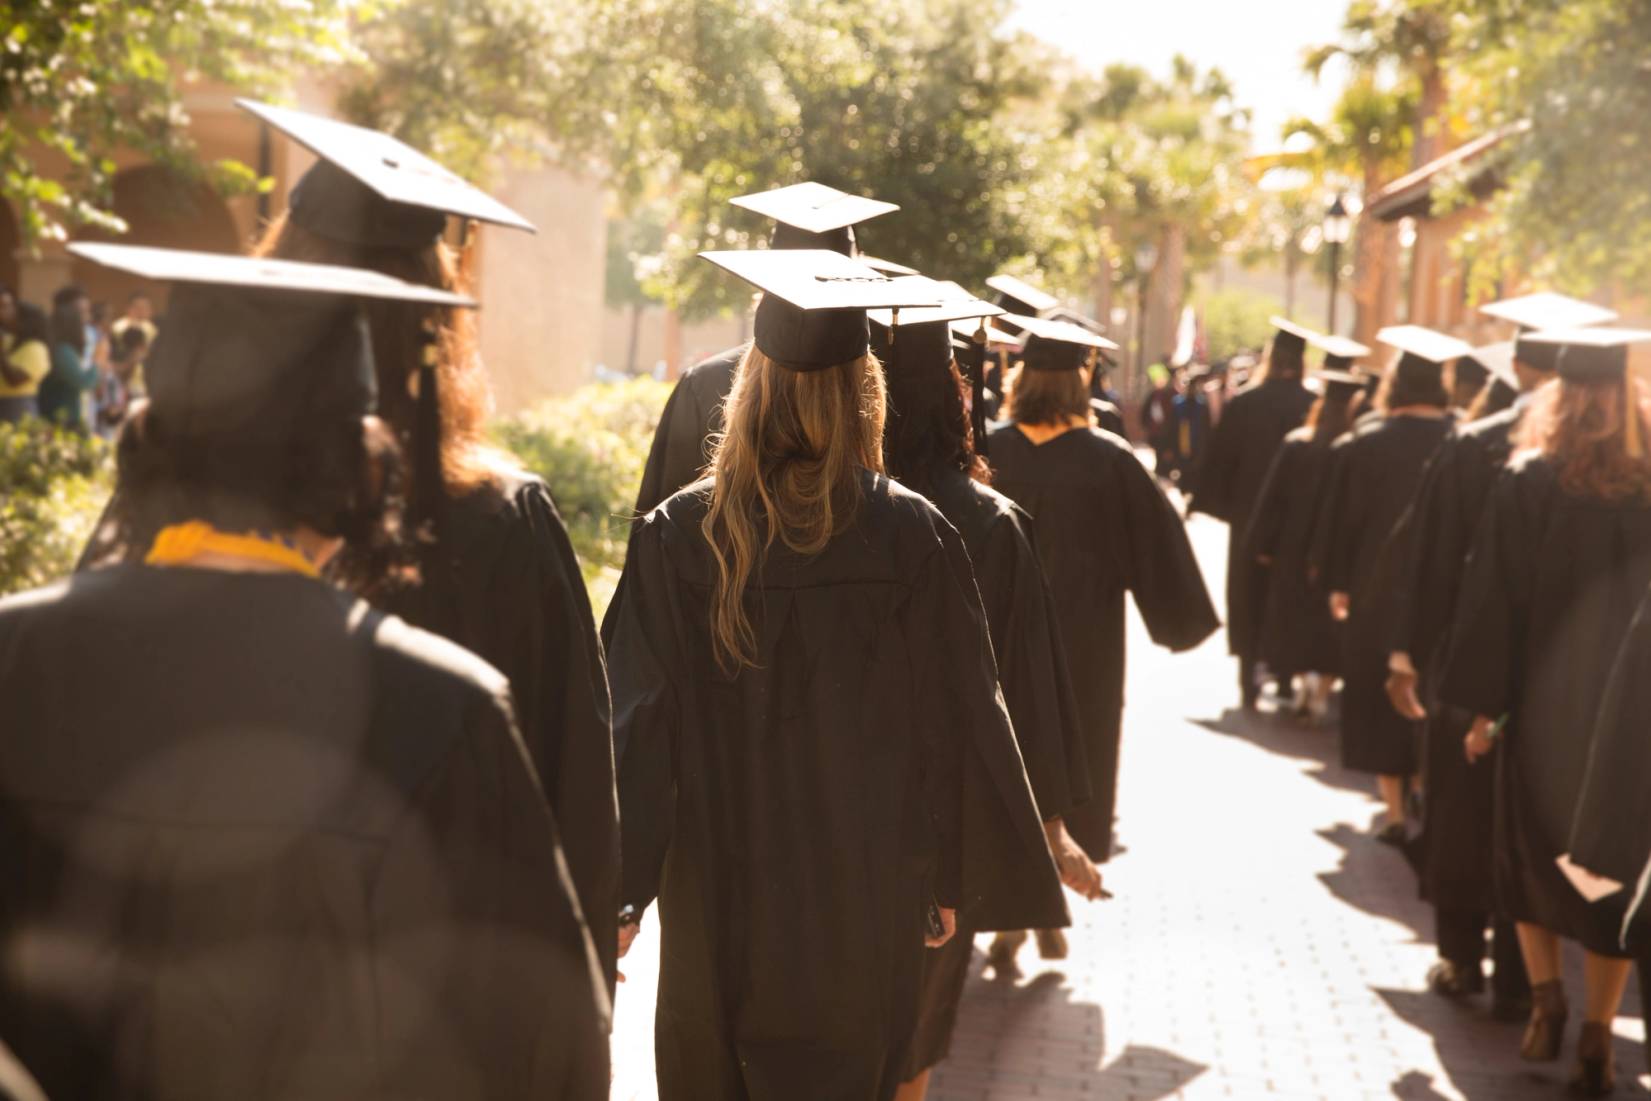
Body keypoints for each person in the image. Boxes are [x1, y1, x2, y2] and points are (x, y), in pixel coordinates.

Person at [0, 241, 610, 1098]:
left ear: (146, 449)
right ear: (358, 474)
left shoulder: (16, 659)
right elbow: (542, 1049)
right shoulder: (441, 707)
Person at [608, 248, 1063, 1101]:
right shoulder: (913, 533)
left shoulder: (679, 533)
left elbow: (637, 716)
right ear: (865, 393)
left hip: (717, 888)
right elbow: (957, 715)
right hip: (864, 885)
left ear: (748, 386)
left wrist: (623, 891)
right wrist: (946, 877)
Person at [220, 100, 625, 989]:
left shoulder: (206, 503)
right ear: (439, 316)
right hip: (442, 996)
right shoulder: (501, 523)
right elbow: (572, 787)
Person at [876, 306, 1104, 1100]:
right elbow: (1023, 694)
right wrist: (1051, 828)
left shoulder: (791, 509)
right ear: (955, 398)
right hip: (942, 817)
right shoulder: (985, 520)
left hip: (810, 809)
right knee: (918, 1011)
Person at [1441, 327, 1651, 1097]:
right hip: (1628, 713)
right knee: (1611, 867)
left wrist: (1482, 709)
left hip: (1538, 704)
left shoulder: (1527, 478)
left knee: (1527, 857)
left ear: (1557, 398)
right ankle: (1598, 1030)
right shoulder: (1649, 483)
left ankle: (1543, 1003)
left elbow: (1492, 602)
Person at [1384, 297, 1601, 1013]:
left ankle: (1458, 956)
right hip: (1570, 677)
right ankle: (1519, 975)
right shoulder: (1612, 463)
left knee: (1461, 809)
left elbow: (1427, 557)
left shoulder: (1476, 441)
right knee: (1531, 819)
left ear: (1515, 364)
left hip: (1464, 658)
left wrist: (1405, 654)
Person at [986, 315, 1219, 874]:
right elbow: (1158, 549)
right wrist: (1179, 619)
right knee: (1076, 746)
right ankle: (1059, 873)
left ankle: (1009, 889)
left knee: (1000, 746)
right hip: (1081, 639)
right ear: (1081, 382)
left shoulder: (987, 450)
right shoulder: (1109, 460)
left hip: (993, 633)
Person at [632, 181, 899, 514]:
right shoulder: (876, 391)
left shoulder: (702, 385)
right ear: (852, 276)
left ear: (765, 275)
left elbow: (655, 521)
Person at [1313, 325, 1461, 843]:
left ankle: (1395, 811)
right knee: (1429, 691)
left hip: (1374, 589)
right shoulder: (1461, 439)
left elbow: (1339, 523)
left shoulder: (1365, 440)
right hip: (1443, 593)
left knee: (1379, 698)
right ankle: (1423, 786)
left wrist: (1337, 584)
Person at [1187, 317, 1317, 709]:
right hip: (1298, 522)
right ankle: (1286, 677)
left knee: (1247, 594)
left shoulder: (1245, 403)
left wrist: (1219, 505)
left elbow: (1219, 460)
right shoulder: (1313, 406)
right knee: (1288, 594)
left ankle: (1247, 676)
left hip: (1249, 516)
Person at [1245, 349, 1368, 724]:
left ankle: (1300, 683)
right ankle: (1320, 686)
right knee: (1328, 627)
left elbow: (1272, 501)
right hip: (1335, 553)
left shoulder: (1298, 443)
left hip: (1293, 550)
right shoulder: (1356, 449)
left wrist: (1262, 545)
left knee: (1295, 621)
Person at [38, 285, 100, 430]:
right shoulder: (61, 350)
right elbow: (83, 381)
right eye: (81, 312)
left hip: (79, 413)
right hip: (62, 420)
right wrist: (98, 360)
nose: (87, 317)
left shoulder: (85, 338)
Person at [0, 301, 51, 424]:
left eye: (13, 313)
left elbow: (14, 380)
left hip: (17, 406)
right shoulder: (9, 341)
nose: (7, 315)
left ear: (25, 321)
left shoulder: (37, 349)